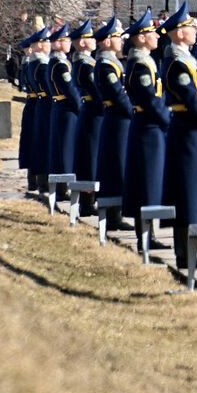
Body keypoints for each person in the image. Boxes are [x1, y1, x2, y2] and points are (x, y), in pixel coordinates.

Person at [159, 2, 197, 271]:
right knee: (187, 194)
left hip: (193, 132)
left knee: (193, 193)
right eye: (190, 27)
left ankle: (189, 251)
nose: (195, 30)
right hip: (188, 132)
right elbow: (192, 102)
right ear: (178, 32)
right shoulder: (176, 62)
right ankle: (185, 254)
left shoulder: (184, 58)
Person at [124, 8, 171, 252]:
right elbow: (150, 100)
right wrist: (168, 119)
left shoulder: (145, 61)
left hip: (150, 127)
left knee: (151, 181)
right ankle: (145, 234)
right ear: (141, 38)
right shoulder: (140, 65)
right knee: (146, 182)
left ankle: (148, 232)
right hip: (147, 128)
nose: (157, 36)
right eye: (152, 32)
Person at [92, 16, 131, 232]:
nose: (121, 41)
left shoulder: (112, 63)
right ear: (107, 41)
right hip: (116, 120)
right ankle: (113, 214)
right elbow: (118, 95)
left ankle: (116, 211)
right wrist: (133, 112)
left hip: (118, 119)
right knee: (115, 166)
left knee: (118, 164)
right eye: (117, 37)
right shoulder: (106, 66)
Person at [69, 20, 102, 215]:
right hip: (93, 113)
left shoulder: (86, 62)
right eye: (89, 37)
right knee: (90, 158)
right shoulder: (85, 65)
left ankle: (89, 200)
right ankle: (87, 202)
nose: (93, 40)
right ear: (81, 42)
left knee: (92, 156)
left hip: (91, 112)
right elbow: (97, 91)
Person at [45, 23, 78, 204]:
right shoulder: (59, 64)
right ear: (57, 43)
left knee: (61, 147)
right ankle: (63, 186)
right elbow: (69, 89)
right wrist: (79, 106)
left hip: (61, 108)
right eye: (65, 40)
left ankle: (61, 186)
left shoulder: (58, 62)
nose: (68, 43)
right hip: (66, 108)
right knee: (65, 149)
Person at [16, 27, 50, 197]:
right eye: (47, 41)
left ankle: (33, 179)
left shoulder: (30, 64)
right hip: (39, 103)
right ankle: (41, 181)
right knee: (40, 142)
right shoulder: (40, 65)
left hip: (33, 102)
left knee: (33, 142)